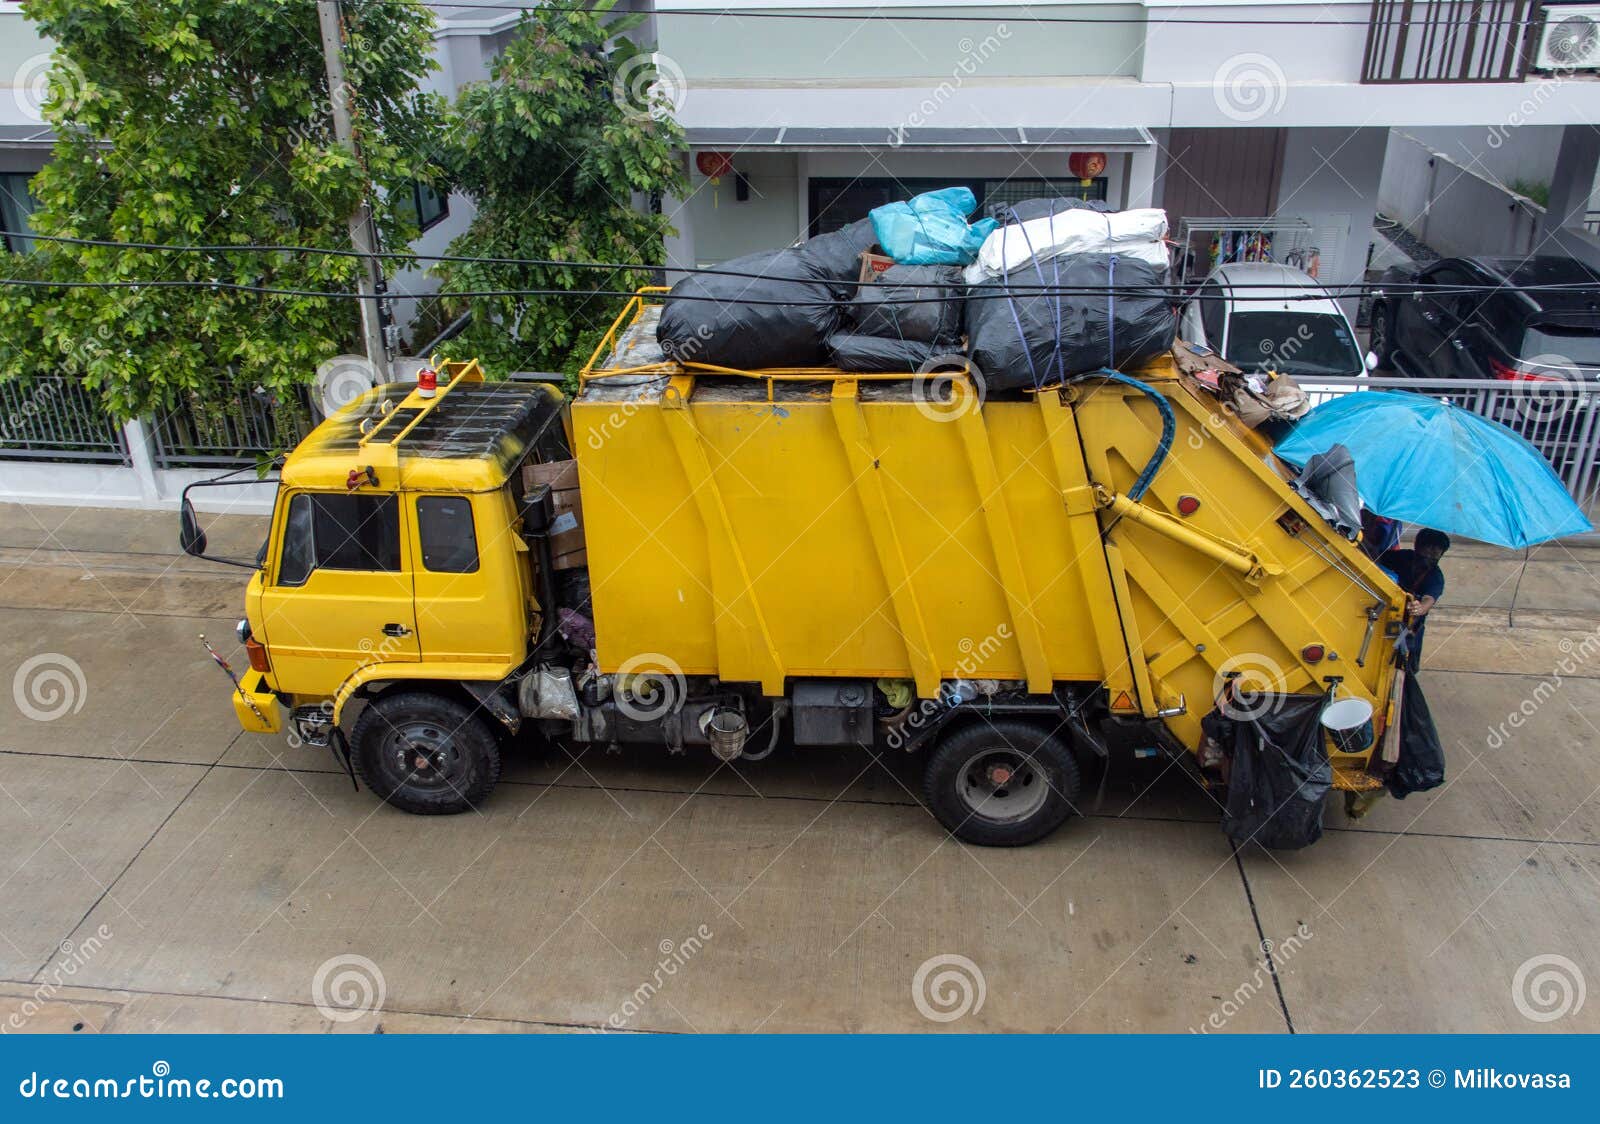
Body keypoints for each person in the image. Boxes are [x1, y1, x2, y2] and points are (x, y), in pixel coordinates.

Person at [1378, 529, 1449, 672]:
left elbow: (1429, 599)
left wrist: (1420, 608)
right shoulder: (1401, 557)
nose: (1431, 554)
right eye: (1428, 547)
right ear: (1417, 546)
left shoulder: (1435, 577)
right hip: (1384, 616)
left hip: (1410, 627)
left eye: (1437, 551)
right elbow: (1375, 559)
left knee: (1407, 666)